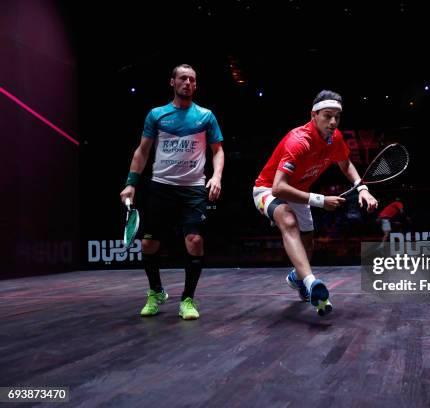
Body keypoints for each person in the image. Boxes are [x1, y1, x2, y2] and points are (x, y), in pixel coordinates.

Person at [252, 90, 378, 316]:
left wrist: (363, 188)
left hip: (299, 191)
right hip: (267, 189)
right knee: (288, 221)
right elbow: (279, 187)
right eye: (327, 116)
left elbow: (345, 164)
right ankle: (311, 284)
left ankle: (297, 278)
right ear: (313, 115)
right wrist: (320, 200)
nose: (333, 122)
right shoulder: (298, 141)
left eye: (337, 117)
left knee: (308, 243)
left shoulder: (336, 138)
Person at [119, 64, 225, 320]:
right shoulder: (157, 115)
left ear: (196, 85)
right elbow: (142, 151)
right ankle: (156, 292)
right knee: (148, 243)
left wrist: (216, 176)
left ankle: (188, 299)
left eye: (192, 79)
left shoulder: (206, 116)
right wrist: (131, 182)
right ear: (172, 82)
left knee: (195, 241)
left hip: (193, 189)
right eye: (182, 78)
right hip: (161, 187)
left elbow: (218, 150)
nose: (187, 83)